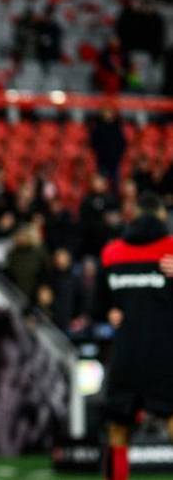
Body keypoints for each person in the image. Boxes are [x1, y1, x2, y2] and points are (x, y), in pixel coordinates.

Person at [96, 193, 173, 480]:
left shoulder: (111, 253)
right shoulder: (170, 249)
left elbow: (98, 306)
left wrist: (111, 311)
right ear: (162, 215)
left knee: (118, 427)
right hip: (166, 351)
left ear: (134, 215)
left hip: (126, 353)